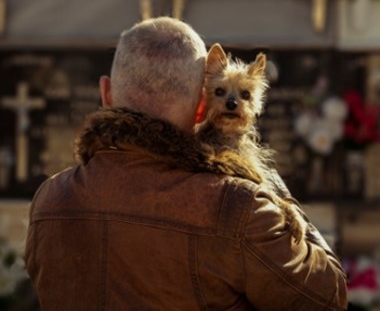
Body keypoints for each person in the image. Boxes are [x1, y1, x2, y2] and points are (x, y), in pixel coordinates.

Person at [25, 17, 348, 310]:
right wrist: (274, 187)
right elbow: (329, 297)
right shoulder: (239, 206)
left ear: (105, 94)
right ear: (200, 107)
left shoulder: (49, 200)